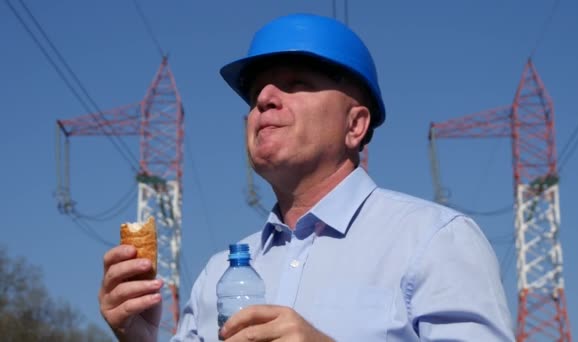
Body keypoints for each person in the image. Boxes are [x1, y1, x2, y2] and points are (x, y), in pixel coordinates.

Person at [99, 13, 514, 341]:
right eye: (257, 92)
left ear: (355, 126)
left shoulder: (433, 242)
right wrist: (141, 339)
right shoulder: (217, 274)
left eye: (296, 83)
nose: (264, 99)